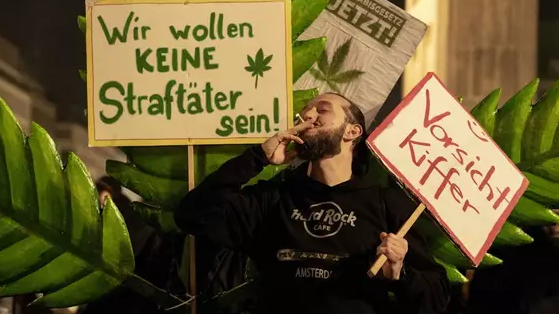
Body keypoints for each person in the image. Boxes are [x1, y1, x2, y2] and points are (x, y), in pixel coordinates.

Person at [175, 93, 450, 314]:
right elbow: (192, 214)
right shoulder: (275, 197)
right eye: (305, 112)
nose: (307, 115)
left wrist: (400, 274)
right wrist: (258, 157)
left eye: (322, 110)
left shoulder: (387, 204)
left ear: (352, 131)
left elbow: (435, 299)